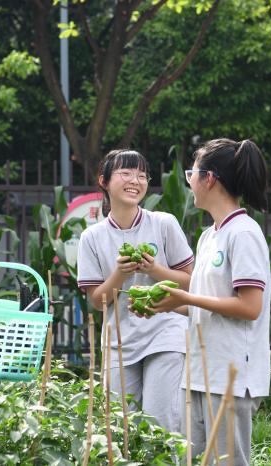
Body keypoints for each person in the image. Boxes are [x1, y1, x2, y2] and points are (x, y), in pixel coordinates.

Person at [139, 138, 271, 465]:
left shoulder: (243, 233)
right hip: (198, 372)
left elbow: (250, 307)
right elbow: (203, 302)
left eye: (191, 174)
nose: (190, 183)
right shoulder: (210, 235)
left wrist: (184, 297)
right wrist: (168, 304)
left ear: (209, 179)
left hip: (231, 375)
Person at [76, 149, 194, 432]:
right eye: (126, 173)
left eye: (142, 175)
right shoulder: (91, 237)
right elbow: (96, 301)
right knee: (119, 427)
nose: (135, 181)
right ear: (104, 181)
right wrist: (120, 273)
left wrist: (154, 270)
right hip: (119, 340)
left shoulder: (164, 223)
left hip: (167, 333)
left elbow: (191, 282)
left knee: (160, 423)